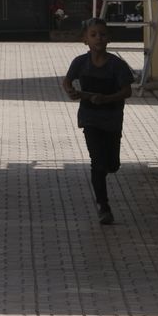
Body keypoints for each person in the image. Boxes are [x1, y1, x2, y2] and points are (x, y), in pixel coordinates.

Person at [62, 18, 135, 225]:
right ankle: (103, 206)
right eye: (93, 35)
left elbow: (127, 91)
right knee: (97, 162)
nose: (98, 39)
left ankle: (108, 167)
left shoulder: (117, 65)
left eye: (102, 34)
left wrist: (107, 99)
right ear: (84, 39)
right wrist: (71, 91)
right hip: (90, 118)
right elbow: (67, 81)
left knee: (111, 164)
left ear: (109, 38)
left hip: (111, 118)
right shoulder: (80, 62)